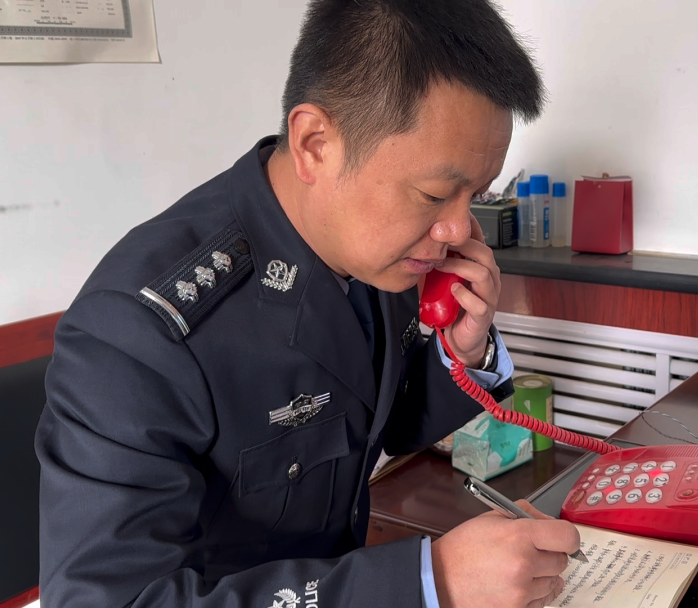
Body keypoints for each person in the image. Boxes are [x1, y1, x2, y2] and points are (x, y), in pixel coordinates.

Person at [35, 1, 581, 607]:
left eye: (475, 195)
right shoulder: (137, 333)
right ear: (315, 144)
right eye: (434, 194)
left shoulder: (376, 255)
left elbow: (380, 426)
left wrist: (461, 351)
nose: (458, 230)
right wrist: (430, 582)